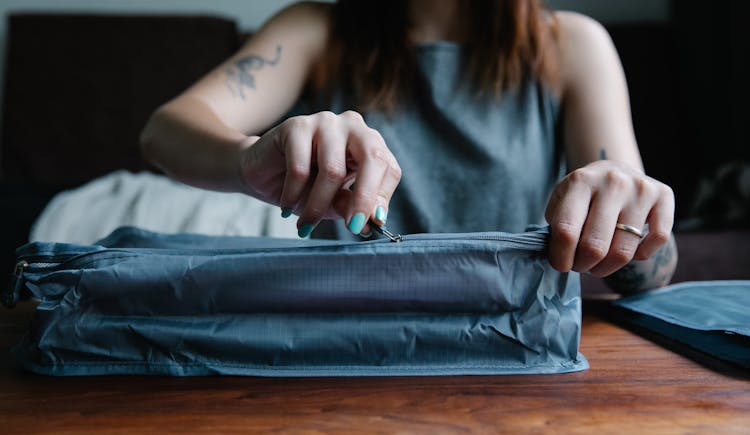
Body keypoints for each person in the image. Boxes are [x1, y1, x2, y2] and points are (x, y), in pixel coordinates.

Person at [140, 0, 677, 293]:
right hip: (344, 339)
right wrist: (245, 161)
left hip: (511, 347)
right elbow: (165, 130)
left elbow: (648, 252)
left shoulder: (572, 46)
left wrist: (630, 226)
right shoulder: (313, 30)